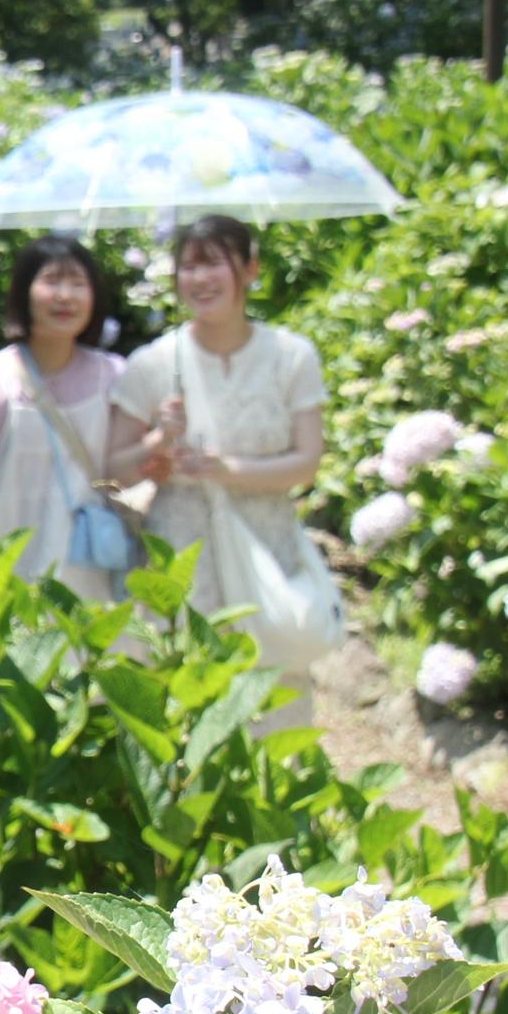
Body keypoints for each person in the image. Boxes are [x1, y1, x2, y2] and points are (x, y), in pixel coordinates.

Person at [106, 213, 331, 724]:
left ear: (250, 269)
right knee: (187, 701)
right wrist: (159, 441)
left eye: (214, 264)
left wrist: (220, 468)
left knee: (276, 701)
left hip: (267, 548)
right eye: (189, 266)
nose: (200, 279)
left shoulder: (292, 356)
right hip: (180, 555)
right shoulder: (153, 363)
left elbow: (307, 463)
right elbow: (113, 469)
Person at [0, 235, 123, 601]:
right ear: (24, 292)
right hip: (13, 582)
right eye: (52, 281)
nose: (65, 295)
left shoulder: (116, 377)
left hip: (97, 576)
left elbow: (125, 470)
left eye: (78, 283)